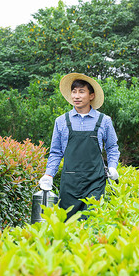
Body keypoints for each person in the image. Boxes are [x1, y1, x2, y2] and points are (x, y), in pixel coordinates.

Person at [39, 73, 120, 220]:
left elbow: (112, 148)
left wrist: (113, 166)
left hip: (95, 181)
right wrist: (49, 174)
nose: (76, 96)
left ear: (91, 96)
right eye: (74, 91)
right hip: (69, 183)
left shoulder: (104, 121)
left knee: (90, 220)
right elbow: (56, 152)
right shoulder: (61, 121)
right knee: (68, 223)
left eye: (81, 91)